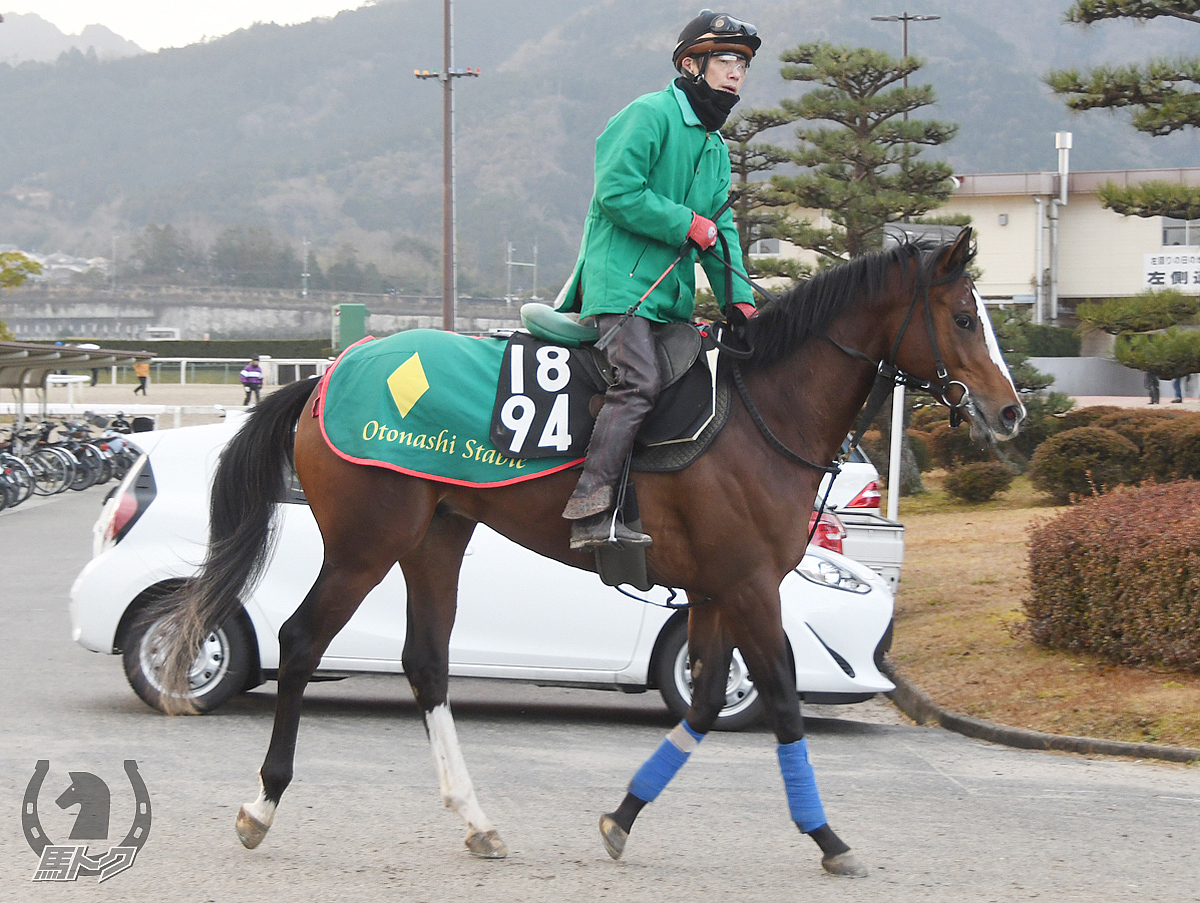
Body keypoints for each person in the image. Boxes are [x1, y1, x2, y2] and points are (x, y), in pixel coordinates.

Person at [555, 9, 757, 551]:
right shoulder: (646, 116)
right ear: (691, 64)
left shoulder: (716, 148)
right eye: (726, 60)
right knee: (640, 381)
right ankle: (590, 503)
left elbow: (722, 229)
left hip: (666, 302)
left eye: (742, 63)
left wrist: (740, 301)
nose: (736, 72)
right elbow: (616, 192)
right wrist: (685, 222)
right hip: (618, 288)